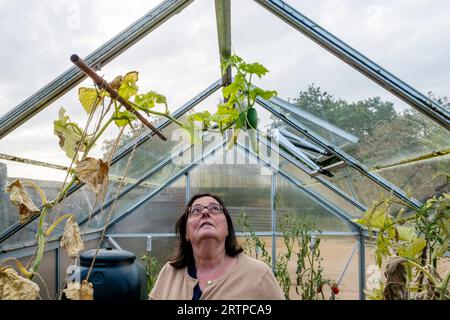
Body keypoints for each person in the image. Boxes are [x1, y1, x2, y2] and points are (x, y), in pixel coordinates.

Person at [149, 193, 285, 300]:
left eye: (215, 208)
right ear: (186, 234)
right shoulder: (169, 272)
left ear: (227, 230)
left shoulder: (258, 274)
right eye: (196, 210)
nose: (205, 212)